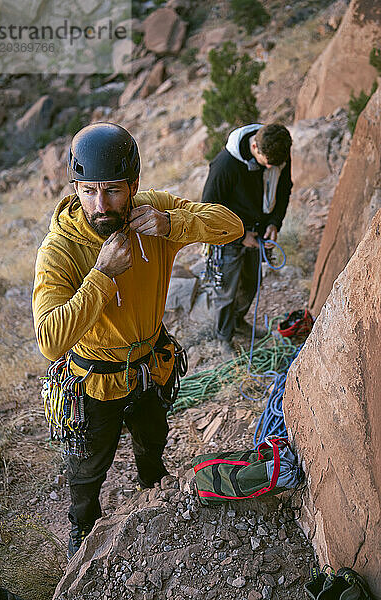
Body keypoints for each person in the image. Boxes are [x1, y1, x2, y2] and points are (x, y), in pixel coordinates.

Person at [32, 122, 243, 558]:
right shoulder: (60, 250)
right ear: (75, 188)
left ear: (134, 186)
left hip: (149, 365)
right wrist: (102, 276)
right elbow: (50, 340)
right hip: (94, 380)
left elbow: (231, 226)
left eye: (112, 190)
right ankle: (82, 522)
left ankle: (154, 483)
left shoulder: (154, 215)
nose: (99, 203)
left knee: (153, 436)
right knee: (89, 466)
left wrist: (173, 223)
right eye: (88, 190)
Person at [202, 122, 293, 351]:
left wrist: (274, 222)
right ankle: (224, 338)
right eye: (267, 163)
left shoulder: (278, 156)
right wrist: (240, 237)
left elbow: (283, 189)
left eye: (275, 164)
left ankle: (238, 322)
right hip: (228, 236)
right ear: (255, 146)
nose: (272, 167)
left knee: (251, 283)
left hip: (258, 230)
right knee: (226, 291)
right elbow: (207, 211)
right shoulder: (225, 165)